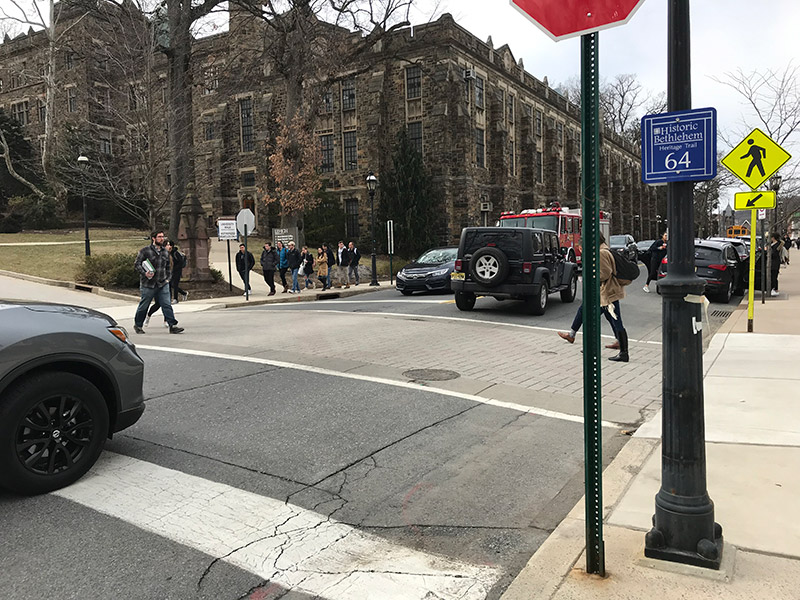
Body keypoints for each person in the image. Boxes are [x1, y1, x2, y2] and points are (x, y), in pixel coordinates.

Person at [557, 232, 629, 362]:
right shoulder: (604, 250)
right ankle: (620, 348)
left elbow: (605, 274)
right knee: (612, 317)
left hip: (606, 291)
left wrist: (591, 276)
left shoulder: (602, 253)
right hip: (607, 291)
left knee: (592, 316)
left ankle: (615, 351)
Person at [133, 230, 183, 334]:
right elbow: (137, 264)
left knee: (166, 304)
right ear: (153, 238)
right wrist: (144, 273)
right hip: (148, 284)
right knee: (144, 305)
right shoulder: (145, 251)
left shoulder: (165, 252)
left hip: (162, 283)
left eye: (163, 237)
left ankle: (172, 325)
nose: (162, 239)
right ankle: (138, 325)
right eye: (159, 237)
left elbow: (169, 267)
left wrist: (168, 278)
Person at [769, 232, 782, 296]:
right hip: (773, 262)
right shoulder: (772, 244)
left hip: (775, 262)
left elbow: (775, 254)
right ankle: (774, 288)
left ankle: (774, 289)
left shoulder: (778, 245)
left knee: (774, 275)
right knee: (772, 276)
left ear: (773, 238)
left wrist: (768, 252)